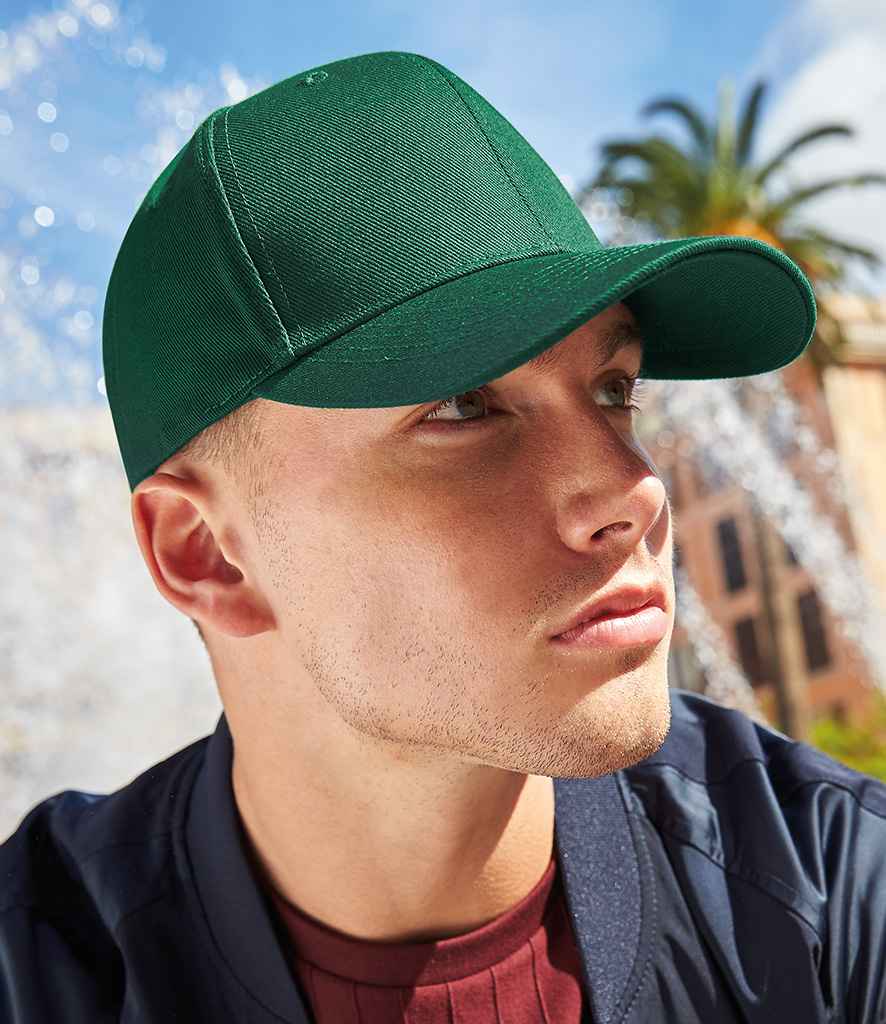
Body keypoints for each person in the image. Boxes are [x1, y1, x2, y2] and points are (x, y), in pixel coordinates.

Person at [1, 49, 884, 1024]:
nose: (632, 490)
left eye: (613, 390)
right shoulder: (38, 968)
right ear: (204, 551)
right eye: (465, 406)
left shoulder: (828, 889)